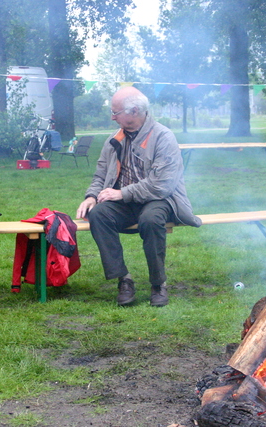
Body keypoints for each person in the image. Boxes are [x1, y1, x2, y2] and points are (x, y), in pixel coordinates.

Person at [76, 87, 202, 307]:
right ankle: (123, 279)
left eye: (116, 112)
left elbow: (161, 186)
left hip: (160, 200)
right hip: (124, 201)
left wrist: (122, 193)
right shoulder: (113, 140)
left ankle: (158, 283)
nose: (112, 117)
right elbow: (100, 174)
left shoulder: (163, 137)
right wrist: (91, 196)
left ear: (134, 111)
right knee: (98, 214)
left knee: (150, 220)